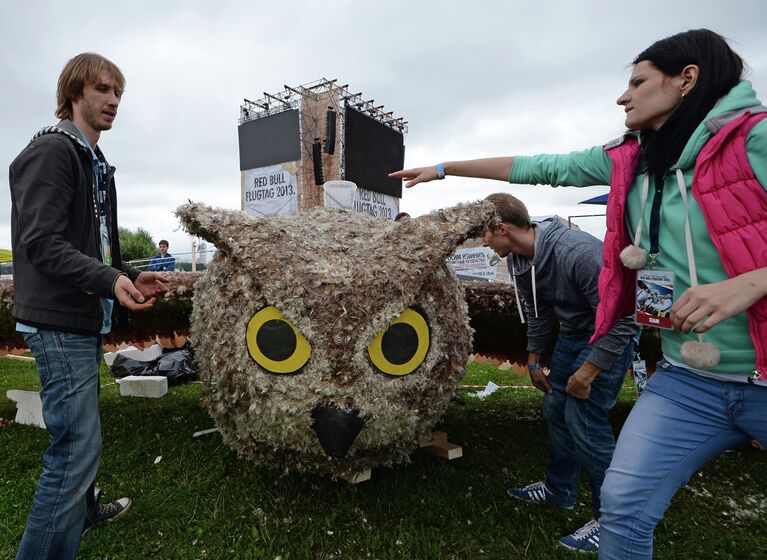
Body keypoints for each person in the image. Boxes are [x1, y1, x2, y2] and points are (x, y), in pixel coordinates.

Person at [391, 29, 767, 559]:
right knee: (623, 506)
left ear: (687, 79)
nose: (622, 96)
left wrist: (750, 283)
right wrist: (445, 168)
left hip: (761, 371)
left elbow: (613, 320)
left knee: (589, 427)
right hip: (691, 380)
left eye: (637, 81)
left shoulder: (756, 138)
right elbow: (540, 167)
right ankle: (573, 496)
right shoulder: (627, 159)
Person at [9, 53, 166, 560]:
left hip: (77, 320)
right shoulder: (54, 152)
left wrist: (123, 274)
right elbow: (41, 243)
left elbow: (91, 243)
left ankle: (82, 509)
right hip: (57, 322)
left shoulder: (91, 159)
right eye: (102, 90)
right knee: (73, 452)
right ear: (73, 93)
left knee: (81, 444)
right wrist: (106, 277)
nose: (113, 100)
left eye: (118, 92)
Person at [482, 193, 638, 552]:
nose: (484, 242)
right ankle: (560, 489)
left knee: (584, 417)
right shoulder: (521, 261)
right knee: (555, 408)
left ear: (502, 228)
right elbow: (537, 314)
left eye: (486, 235)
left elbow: (622, 319)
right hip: (571, 336)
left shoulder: (576, 253)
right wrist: (534, 361)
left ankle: (612, 522)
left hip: (607, 334)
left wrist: (587, 372)